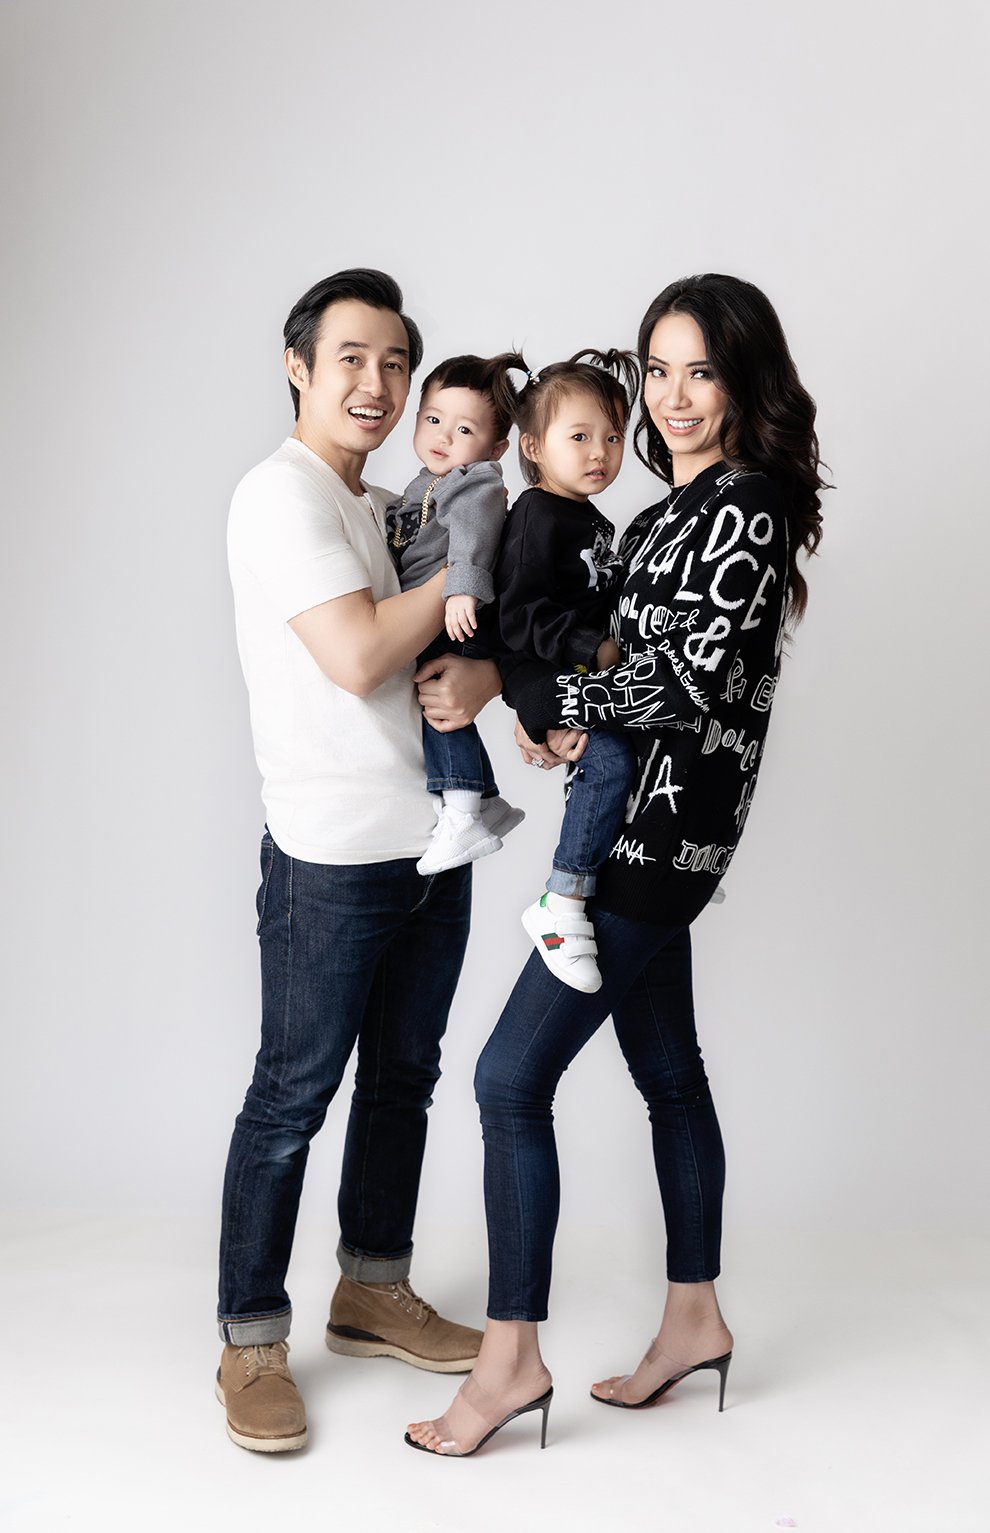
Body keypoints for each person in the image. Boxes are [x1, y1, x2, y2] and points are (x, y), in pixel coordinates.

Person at [406, 273, 826, 1456]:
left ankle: (507, 1363)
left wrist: (509, 689)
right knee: (669, 1072)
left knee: (504, 1082)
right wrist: (564, 717)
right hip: (647, 820)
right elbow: (621, 673)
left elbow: (683, 684)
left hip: (656, 838)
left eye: (701, 369)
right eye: (659, 369)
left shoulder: (742, 504)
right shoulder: (653, 517)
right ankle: (693, 1318)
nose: (674, 395)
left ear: (745, 381)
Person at [218, 268, 500, 1454]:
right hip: (328, 854)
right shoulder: (278, 498)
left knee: (403, 1080)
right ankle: (248, 1343)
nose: (376, 384)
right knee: (293, 1097)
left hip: (429, 844)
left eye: (394, 363)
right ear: (299, 364)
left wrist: (482, 661)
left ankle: (370, 1289)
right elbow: (358, 655)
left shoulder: (388, 504)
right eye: (351, 358)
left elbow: (448, 664)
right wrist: (469, 576)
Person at [490, 350, 641, 993]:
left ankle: (643, 865)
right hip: (538, 669)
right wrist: (594, 651)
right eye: (578, 437)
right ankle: (563, 898)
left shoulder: (598, 521)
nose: (599, 452)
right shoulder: (535, 515)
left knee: (638, 744)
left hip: (579, 672)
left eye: (611, 436)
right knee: (607, 759)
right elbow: (518, 618)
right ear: (533, 445)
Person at [387, 352, 528, 876]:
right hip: (434, 609)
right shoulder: (426, 480)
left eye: (463, 428)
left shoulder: (475, 480)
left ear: (495, 448)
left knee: (438, 707)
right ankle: (486, 799)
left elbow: (473, 535)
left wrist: (462, 591)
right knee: (436, 701)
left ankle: (465, 811)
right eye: (433, 419)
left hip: (453, 614)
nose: (443, 435)